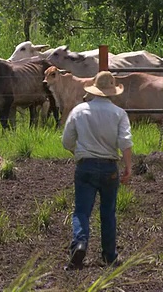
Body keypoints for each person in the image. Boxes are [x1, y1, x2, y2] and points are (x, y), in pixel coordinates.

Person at [61, 70, 133, 270]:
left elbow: (66, 141)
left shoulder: (79, 111)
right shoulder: (119, 114)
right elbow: (125, 142)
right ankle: (109, 255)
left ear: (93, 89)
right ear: (112, 91)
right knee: (108, 212)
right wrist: (128, 167)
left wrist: (79, 151)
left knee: (82, 211)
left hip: (86, 166)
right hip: (110, 167)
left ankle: (80, 244)